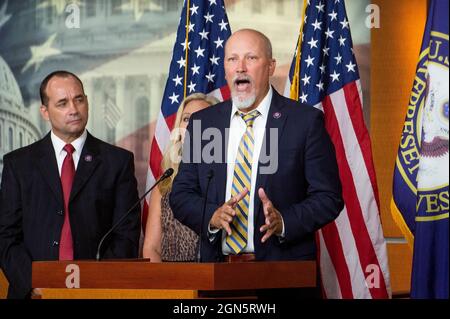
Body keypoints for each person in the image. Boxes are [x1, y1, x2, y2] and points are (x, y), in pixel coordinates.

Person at [170, 29, 344, 264]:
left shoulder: (304, 122)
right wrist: (211, 216)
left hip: (282, 273)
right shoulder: (204, 124)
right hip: (217, 274)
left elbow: (328, 197)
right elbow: (181, 194)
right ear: (226, 68)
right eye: (233, 59)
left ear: (271, 66)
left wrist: (284, 221)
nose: (240, 67)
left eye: (251, 58)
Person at [0, 71, 141, 299]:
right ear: (45, 112)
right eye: (62, 103)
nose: (74, 110)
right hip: (33, 293)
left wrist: (97, 285)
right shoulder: (19, 164)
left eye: (79, 99)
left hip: (97, 292)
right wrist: (33, 284)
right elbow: (6, 236)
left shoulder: (117, 162)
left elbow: (126, 235)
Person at [142, 93, 219, 262]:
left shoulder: (229, 177)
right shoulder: (166, 181)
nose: (191, 125)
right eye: (186, 119)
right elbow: (151, 248)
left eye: (200, 118)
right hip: (173, 282)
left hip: (216, 278)